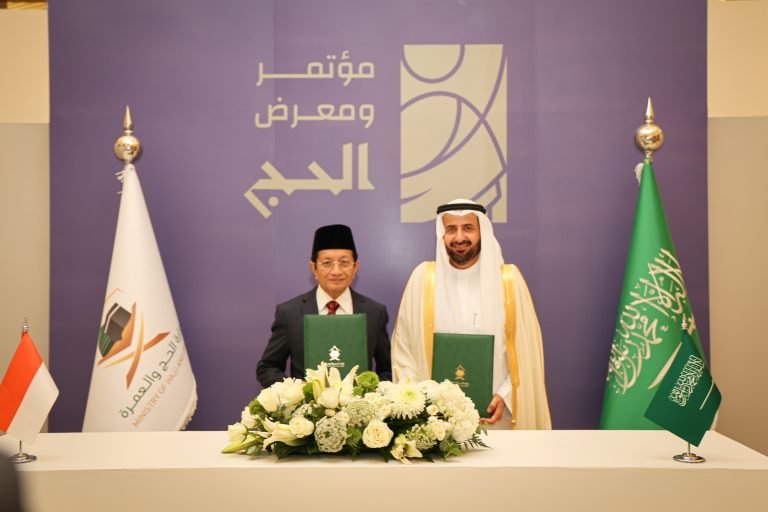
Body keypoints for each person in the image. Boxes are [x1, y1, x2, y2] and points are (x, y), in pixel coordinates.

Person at [391, 199, 551, 429]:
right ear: (442, 234)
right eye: (451, 229)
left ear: (482, 231)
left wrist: (506, 396)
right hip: (436, 425)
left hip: (497, 418)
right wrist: (424, 403)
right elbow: (404, 352)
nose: (459, 237)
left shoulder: (509, 281)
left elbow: (527, 352)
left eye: (468, 228)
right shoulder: (423, 279)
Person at [257, 224, 391, 388]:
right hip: (306, 404)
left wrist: (371, 392)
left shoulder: (374, 312)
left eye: (344, 262)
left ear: (355, 266)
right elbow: (267, 367)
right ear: (314, 267)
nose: (336, 271)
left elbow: (387, 369)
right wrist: (297, 389)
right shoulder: (289, 312)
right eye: (327, 263)